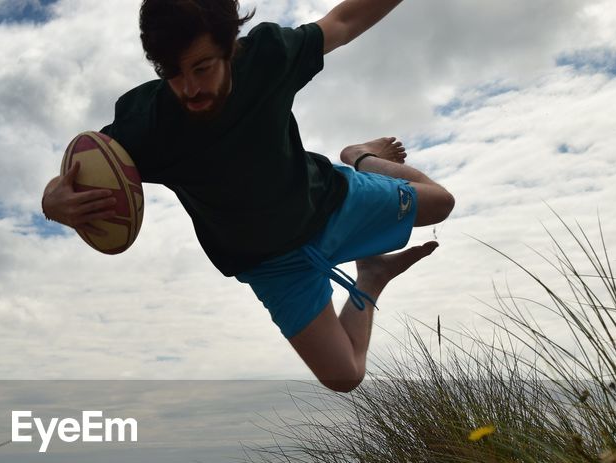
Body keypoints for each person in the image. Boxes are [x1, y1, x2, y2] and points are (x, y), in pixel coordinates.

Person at [41, 0, 454, 392]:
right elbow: (74, 180)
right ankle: (373, 275)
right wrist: (52, 204)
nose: (188, 88)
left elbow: (343, 23)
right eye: (173, 72)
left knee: (441, 202)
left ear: (230, 48)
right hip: (271, 265)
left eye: (202, 67)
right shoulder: (147, 124)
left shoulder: (268, 58)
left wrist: (360, 162)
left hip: (329, 201)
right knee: (345, 376)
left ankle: (360, 157)